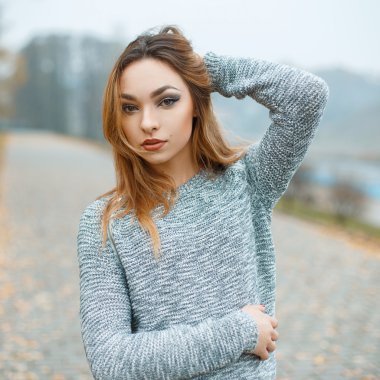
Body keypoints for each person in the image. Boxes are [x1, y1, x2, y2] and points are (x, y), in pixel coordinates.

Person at [76, 25, 329, 379]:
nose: (148, 123)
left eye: (167, 100)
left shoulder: (249, 183)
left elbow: (306, 96)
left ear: (195, 102)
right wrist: (238, 331)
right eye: (130, 108)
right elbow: (111, 362)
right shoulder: (105, 223)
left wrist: (205, 70)